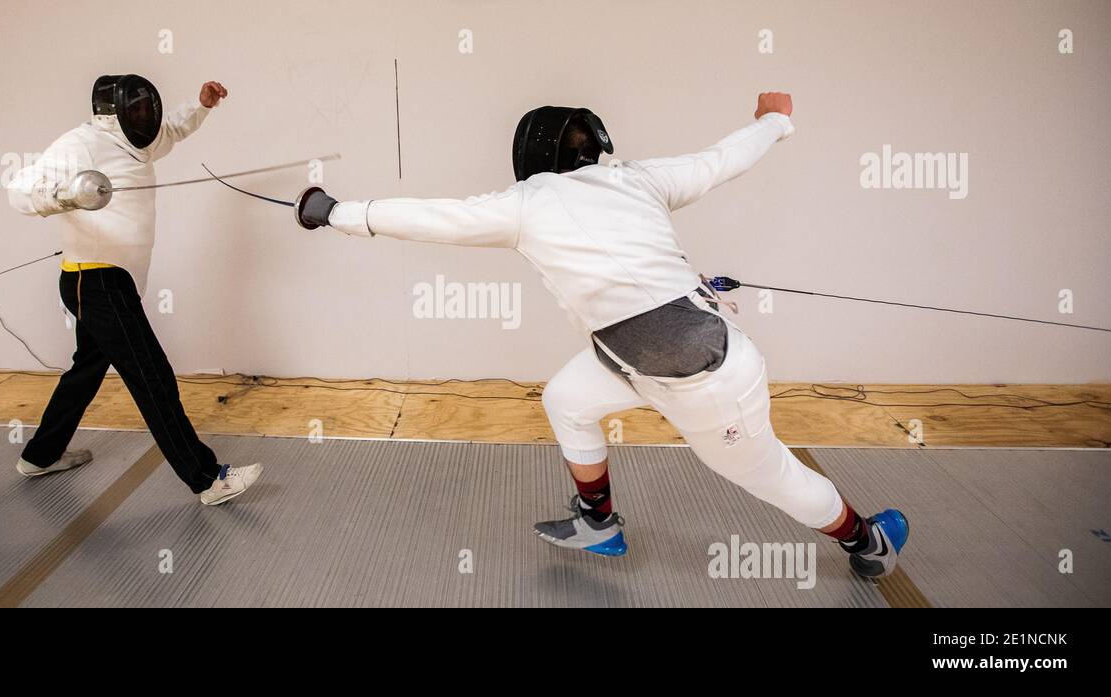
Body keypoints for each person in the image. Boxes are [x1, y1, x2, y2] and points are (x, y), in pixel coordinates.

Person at [295, 93, 909, 577]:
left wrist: (335, 212)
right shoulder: (639, 179)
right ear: (594, 146)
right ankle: (599, 521)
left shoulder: (526, 201)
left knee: (772, 477)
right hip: (627, 360)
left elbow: (433, 218)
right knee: (566, 399)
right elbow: (721, 159)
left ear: (532, 153)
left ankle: (868, 540)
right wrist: (774, 120)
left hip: (708, 381)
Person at [7, 75, 261, 506]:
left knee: (85, 372)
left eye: (147, 110)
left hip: (110, 280)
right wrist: (66, 192)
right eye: (138, 110)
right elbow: (21, 189)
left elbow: (172, 132)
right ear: (114, 113)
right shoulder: (79, 144)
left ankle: (40, 456)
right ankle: (206, 479)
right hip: (97, 279)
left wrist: (201, 106)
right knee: (153, 376)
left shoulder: (136, 143)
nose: (146, 118)